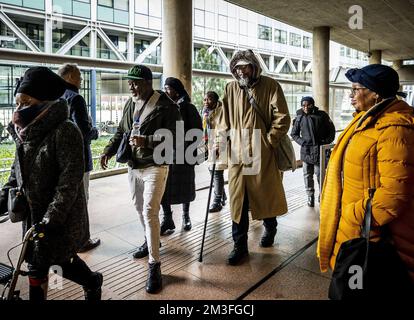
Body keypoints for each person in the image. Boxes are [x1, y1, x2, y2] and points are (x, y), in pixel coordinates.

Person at [0, 67, 102, 300]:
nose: (18, 110)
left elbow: (69, 183)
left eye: (25, 102)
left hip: (59, 220)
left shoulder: (66, 131)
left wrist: (50, 219)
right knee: (38, 265)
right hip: (33, 218)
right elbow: (15, 177)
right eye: (17, 103)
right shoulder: (25, 133)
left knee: (61, 260)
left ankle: (92, 281)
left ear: (45, 101)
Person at [318, 64, 414, 295]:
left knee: (364, 288)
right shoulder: (364, 120)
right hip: (359, 226)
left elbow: (393, 194)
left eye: (355, 89)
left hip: (371, 232)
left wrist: (351, 215)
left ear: (375, 93)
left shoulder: (395, 130)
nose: (350, 95)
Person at [100, 65, 180, 293]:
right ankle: (150, 239)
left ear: (148, 82)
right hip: (134, 166)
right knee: (138, 207)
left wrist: (148, 141)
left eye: (135, 82)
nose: (131, 87)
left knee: (149, 211)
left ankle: (155, 265)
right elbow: (121, 132)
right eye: (129, 82)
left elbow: (177, 138)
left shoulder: (166, 106)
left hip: (156, 165)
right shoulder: (130, 103)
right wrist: (108, 150)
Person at [216, 49, 290, 265]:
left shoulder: (270, 86)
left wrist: (269, 141)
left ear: (254, 66)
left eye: (245, 66)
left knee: (264, 195)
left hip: (262, 151)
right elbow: (223, 120)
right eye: (237, 67)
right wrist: (220, 145)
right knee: (238, 202)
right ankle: (239, 245)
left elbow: (283, 118)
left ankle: (270, 227)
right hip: (238, 154)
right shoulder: (230, 88)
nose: (242, 71)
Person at [58, 63, 101, 252]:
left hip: (61, 160)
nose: (81, 79)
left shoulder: (56, 97)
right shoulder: (75, 99)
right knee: (82, 199)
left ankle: (65, 239)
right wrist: (95, 131)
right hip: (80, 158)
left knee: (66, 199)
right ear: (68, 77)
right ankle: (82, 241)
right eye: (78, 75)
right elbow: (83, 131)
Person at [160, 77, 202, 234]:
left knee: (185, 187)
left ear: (176, 91)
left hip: (184, 155)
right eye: (164, 88)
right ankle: (167, 218)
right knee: (163, 188)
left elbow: (197, 131)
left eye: (168, 88)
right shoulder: (164, 107)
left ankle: (186, 216)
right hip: (166, 154)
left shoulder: (188, 108)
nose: (165, 91)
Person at [291, 96, 335, 207]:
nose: (306, 107)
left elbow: (331, 131)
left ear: (313, 104)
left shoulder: (322, 115)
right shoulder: (299, 117)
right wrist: (302, 142)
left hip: (320, 150)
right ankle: (310, 196)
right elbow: (294, 134)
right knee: (307, 175)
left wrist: (325, 143)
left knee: (320, 174)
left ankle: (322, 195)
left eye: (308, 105)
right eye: (303, 105)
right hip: (306, 151)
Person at [201, 91, 227, 212]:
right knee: (213, 171)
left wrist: (217, 145)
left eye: (209, 99)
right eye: (205, 99)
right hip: (209, 145)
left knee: (217, 172)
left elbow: (222, 129)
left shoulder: (221, 111)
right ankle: (223, 195)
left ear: (216, 101)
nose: (206, 102)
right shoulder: (205, 112)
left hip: (219, 144)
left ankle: (217, 201)